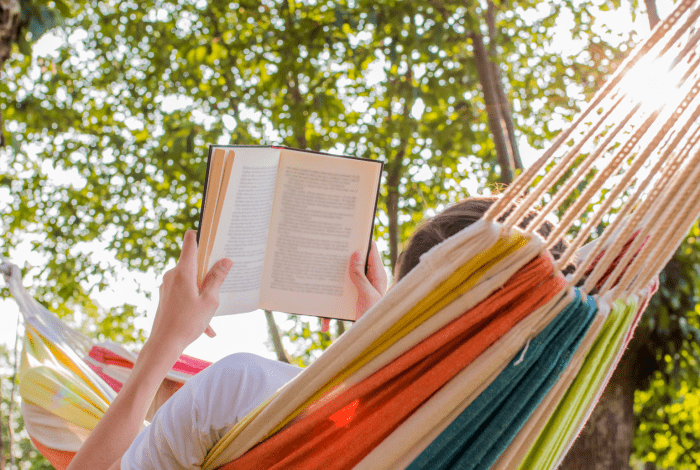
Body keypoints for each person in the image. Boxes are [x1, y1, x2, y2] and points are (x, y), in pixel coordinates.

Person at [64, 197, 563, 470]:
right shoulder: (515, 446)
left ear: (409, 304)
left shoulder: (244, 395)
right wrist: (374, 344)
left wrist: (163, 344)